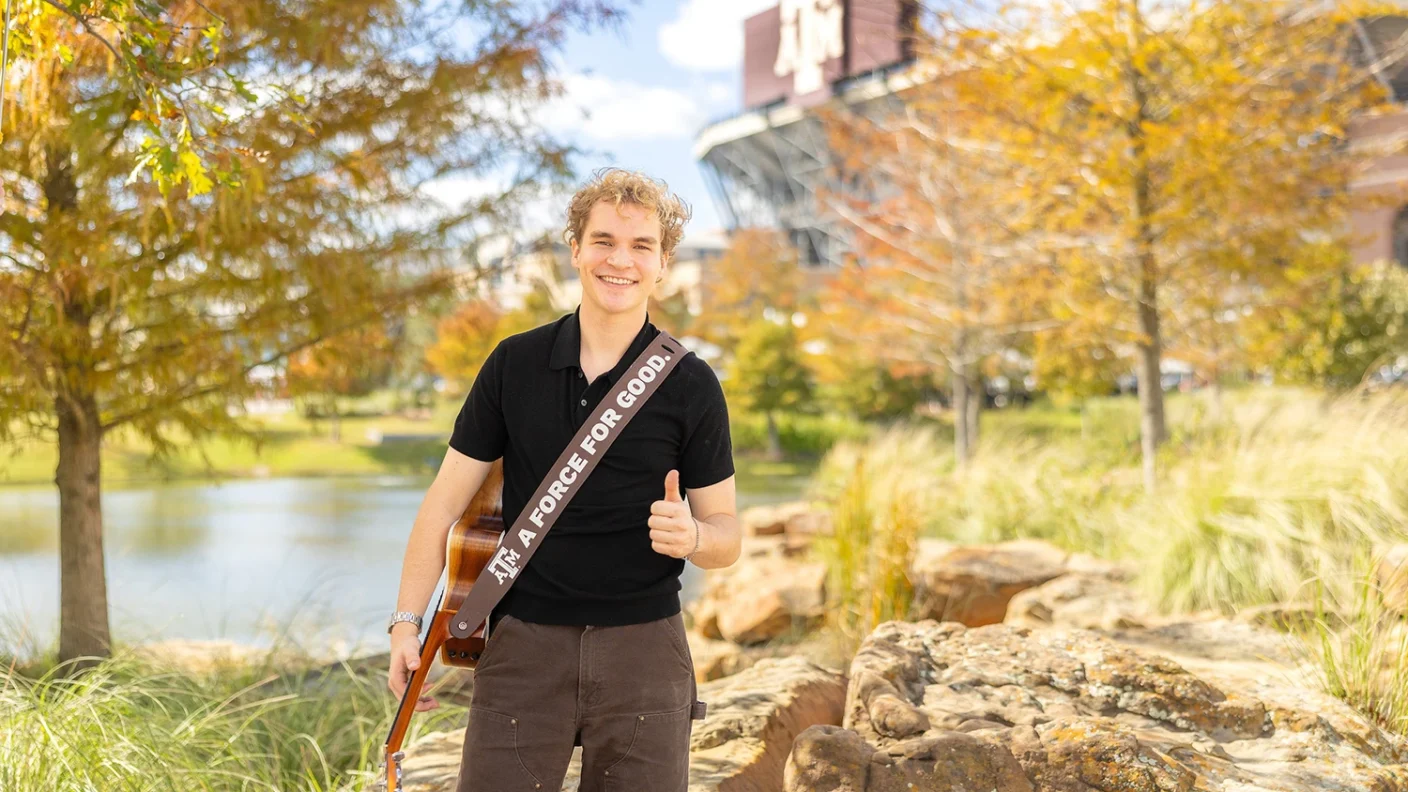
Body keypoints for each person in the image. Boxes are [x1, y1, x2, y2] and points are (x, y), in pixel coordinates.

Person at [387, 168, 740, 792]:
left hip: (645, 653)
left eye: (641, 247)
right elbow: (442, 505)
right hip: (523, 649)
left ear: (663, 264)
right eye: (603, 241)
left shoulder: (692, 384)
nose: (620, 261)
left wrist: (693, 538)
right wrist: (405, 624)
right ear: (574, 249)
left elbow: (728, 536)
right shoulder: (513, 363)